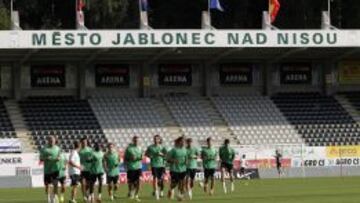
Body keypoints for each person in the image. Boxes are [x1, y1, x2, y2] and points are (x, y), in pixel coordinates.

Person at [40, 135, 61, 203]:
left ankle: (54, 197)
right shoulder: (44, 149)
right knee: (47, 185)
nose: (52, 141)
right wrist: (46, 158)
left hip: (55, 169)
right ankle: (48, 198)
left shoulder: (58, 148)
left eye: (53, 140)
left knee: (55, 184)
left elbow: (59, 156)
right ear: (48, 141)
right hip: (47, 170)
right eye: (50, 140)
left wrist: (58, 159)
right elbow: (41, 159)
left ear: (55, 140)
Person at [145, 135, 167, 200]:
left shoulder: (162, 147)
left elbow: (167, 155)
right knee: (155, 178)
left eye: (157, 139)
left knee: (161, 180)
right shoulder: (150, 147)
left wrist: (161, 154)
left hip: (162, 165)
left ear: (159, 140)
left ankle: (161, 191)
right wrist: (150, 156)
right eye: (154, 139)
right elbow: (146, 154)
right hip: (154, 165)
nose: (155, 140)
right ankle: (156, 192)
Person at [167, 137, 187, 201]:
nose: (183, 143)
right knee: (176, 183)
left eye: (184, 141)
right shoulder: (174, 150)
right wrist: (173, 160)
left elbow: (186, 158)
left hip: (183, 169)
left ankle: (180, 195)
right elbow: (167, 159)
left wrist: (186, 161)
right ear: (179, 142)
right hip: (174, 169)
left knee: (182, 183)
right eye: (182, 141)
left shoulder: (185, 150)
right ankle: (171, 189)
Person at [124, 136, 143, 202]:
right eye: (135, 140)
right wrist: (129, 160)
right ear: (133, 140)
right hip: (131, 167)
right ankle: (130, 191)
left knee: (140, 181)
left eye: (137, 140)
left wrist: (139, 158)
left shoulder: (140, 148)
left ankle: (136, 195)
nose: (136, 142)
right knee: (131, 183)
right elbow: (125, 158)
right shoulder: (129, 148)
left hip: (139, 167)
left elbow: (142, 157)